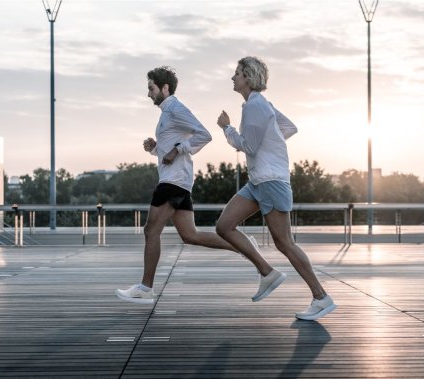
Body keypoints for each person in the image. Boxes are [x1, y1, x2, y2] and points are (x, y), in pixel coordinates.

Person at [116, 66, 264, 304]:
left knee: (150, 231)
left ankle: (145, 288)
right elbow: (172, 148)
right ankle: (244, 245)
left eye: (151, 88)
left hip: (173, 182)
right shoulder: (166, 112)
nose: (148, 94)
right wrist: (155, 147)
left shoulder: (175, 108)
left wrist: (177, 149)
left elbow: (204, 134)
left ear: (165, 88)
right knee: (190, 235)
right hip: (177, 181)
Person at [215, 57, 337, 321]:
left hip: (270, 181)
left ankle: (321, 297)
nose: (232, 78)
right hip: (258, 181)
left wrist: (226, 127)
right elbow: (288, 128)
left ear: (248, 77)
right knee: (224, 226)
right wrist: (272, 143)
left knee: (284, 243)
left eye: (236, 73)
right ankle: (267, 272)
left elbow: (248, 146)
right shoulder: (261, 105)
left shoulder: (255, 106)